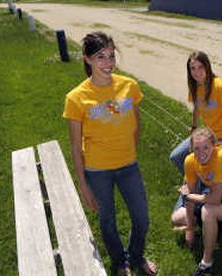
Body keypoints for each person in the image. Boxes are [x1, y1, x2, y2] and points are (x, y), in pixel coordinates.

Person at [62, 32, 156, 276]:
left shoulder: (129, 86)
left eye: (111, 56)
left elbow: (136, 123)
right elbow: (74, 145)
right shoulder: (76, 98)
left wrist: (130, 150)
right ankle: (119, 261)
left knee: (142, 218)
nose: (108, 63)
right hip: (97, 171)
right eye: (100, 57)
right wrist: (83, 186)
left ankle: (135, 256)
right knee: (107, 221)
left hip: (128, 165)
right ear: (87, 59)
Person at [170, 51, 222, 228]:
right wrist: (193, 129)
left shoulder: (219, 86)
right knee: (177, 156)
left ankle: (192, 204)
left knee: (203, 163)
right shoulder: (195, 87)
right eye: (192, 68)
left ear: (207, 67)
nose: (197, 72)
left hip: (220, 138)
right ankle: (196, 187)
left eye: (200, 67)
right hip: (204, 135)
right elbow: (196, 109)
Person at [178, 127, 222, 276]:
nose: (201, 152)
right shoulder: (190, 161)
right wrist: (189, 229)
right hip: (212, 196)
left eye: (206, 147)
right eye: (196, 148)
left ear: (214, 146)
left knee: (207, 212)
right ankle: (208, 228)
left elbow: (213, 199)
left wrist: (189, 197)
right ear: (191, 149)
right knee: (176, 218)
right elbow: (191, 192)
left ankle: (206, 262)